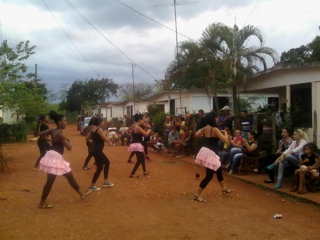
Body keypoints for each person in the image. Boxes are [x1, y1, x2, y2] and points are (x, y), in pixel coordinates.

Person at [38, 111, 91, 209]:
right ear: (59, 122)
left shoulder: (53, 131)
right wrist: (68, 141)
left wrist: (49, 140)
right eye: (64, 121)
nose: (66, 123)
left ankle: (81, 194)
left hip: (52, 155)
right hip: (55, 158)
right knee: (51, 180)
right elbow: (69, 148)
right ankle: (42, 203)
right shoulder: (60, 135)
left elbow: (40, 134)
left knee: (68, 176)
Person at [193, 111, 232, 202]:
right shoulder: (214, 129)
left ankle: (224, 188)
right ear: (214, 118)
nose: (218, 119)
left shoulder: (206, 128)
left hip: (206, 151)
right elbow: (225, 140)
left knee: (218, 169)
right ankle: (196, 194)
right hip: (210, 153)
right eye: (217, 117)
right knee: (209, 176)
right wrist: (225, 132)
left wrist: (202, 130)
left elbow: (196, 134)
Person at [86, 117, 113, 191]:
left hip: (94, 150)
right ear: (99, 123)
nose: (103, 123)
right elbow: (106, 140)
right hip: (97, 150)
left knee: (102, 165)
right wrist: (109, 139)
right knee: (105, 164)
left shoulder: (93, 129)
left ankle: (104, 182)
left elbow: (87, 138)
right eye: (102, 122)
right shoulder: (99, 130)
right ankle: (96, 184)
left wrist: (93, 142)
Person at [129, 113, 151, 178]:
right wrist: (149, 130)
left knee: (142, 157)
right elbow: (146, 134)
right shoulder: (138, 127)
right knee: (139, 159)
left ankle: (144, 171)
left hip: (135, 143)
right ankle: (132, 174)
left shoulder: (134, 126)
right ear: (139, 120)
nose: (142, 121)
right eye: (142, 120)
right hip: (137, 144)